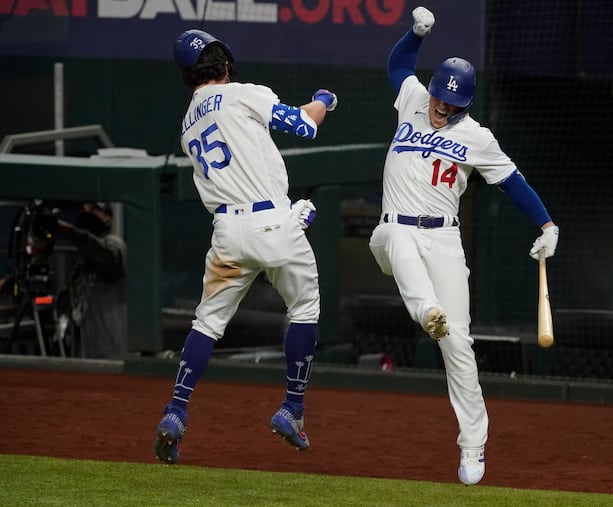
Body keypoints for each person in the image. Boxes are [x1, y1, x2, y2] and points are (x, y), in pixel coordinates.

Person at [368, 6, 559, 485]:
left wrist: (547, 224)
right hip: (395, 230)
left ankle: (473, 446)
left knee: (458, 344)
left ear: (465, 106)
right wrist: (415, 33)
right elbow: (397, 66)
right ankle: (426, 308)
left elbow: (513, 182)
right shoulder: (413, 99)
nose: (442, 107)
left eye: (453, 105)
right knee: (395, 240)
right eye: (440, 99)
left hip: (443, 237)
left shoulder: (477, 136)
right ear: (432, 90)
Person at [153, 29, 337, 465]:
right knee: (305, 310)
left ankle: (175, 411)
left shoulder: (187, 125)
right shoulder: (242, 93)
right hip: (272, 223)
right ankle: (292, 407)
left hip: (227, 232)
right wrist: (324, 100)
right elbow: (303, 125)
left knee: (207, 323)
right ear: (225, 63)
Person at [55, 201, 127, 359]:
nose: (87, 213)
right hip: (87, 350)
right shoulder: (82, 259)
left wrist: (70, 231)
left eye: (93, 209)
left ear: (107, 218)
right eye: (85, 209)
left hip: (113, 349)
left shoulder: (114, 244)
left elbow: (105, 255)